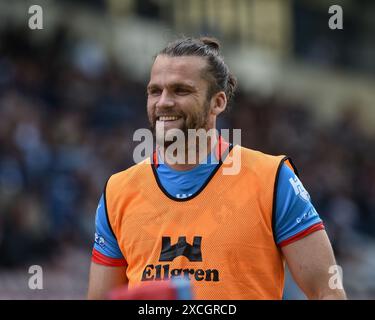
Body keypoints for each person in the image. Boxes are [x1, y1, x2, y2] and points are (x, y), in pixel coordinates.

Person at [87, 37, 346, 300]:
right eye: (155, 91)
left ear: (218, 102)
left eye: (181, 90)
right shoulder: (118, 191)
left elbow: (328, 292)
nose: (163, 102)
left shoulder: (272, 179)